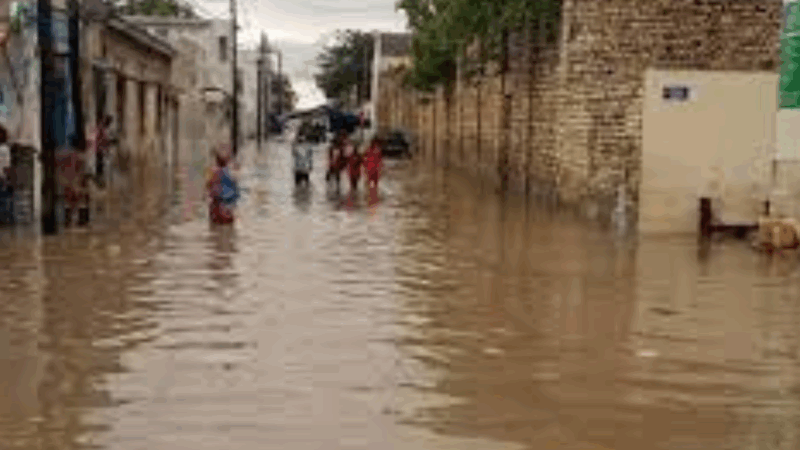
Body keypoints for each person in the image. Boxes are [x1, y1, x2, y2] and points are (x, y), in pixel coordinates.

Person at [207, 145, 239, 225]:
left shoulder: (213, 172)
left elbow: (209, 186)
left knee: (215, 224)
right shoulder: (230, 174)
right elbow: (236, 191)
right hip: (227, 205)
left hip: (217, 204)